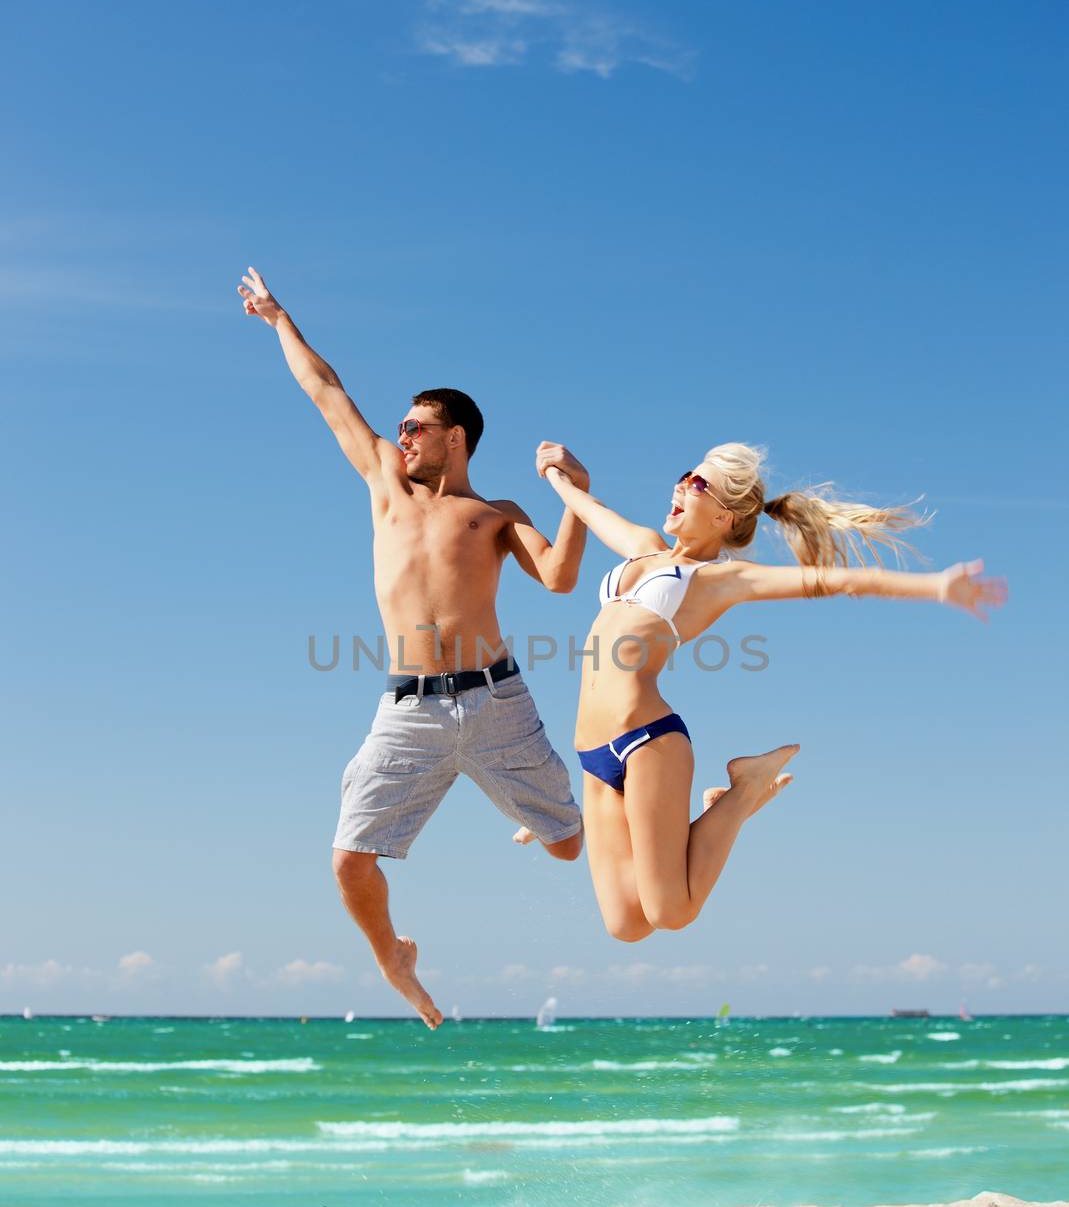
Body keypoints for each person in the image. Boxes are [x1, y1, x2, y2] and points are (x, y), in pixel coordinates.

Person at [238, 268, 586, 1028]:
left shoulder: (494, 514)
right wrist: (277, 318)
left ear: (453, 438)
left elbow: (559, 577)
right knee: (347, 859)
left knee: (567, 850)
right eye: (399, 427)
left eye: (414, 427)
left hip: (497, 702)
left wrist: (573, 493)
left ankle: (535, 810)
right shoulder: (384, 487)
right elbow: (325, 391)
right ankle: (392, 956)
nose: (400, 435)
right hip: (408, 711)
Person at [536, 440, 1007, 943]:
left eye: (699, 485)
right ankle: (733, 800)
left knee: (671, 912)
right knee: (627, 925)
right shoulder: (644, 546)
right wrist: (556, 477)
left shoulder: (722, 578)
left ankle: (743, 792)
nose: (681, 485)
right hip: (590, 749)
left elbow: (834, 580)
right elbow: (592, 511)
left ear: (724, 516)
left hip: (647, 740)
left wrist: (937, 586)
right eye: (685, 474)